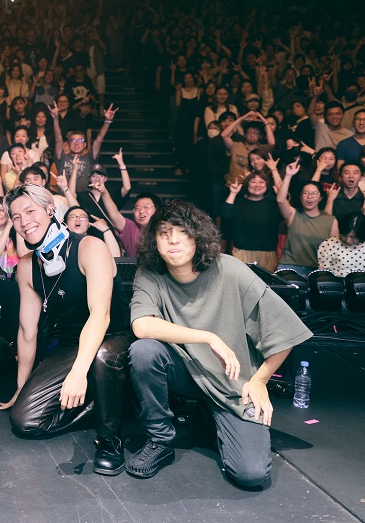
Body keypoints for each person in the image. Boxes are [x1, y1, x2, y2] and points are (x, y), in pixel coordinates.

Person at [127, 200, 313, 488]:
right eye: (164, 233)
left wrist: (260, 380)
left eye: (182, 232)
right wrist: (208, 337)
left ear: (198, 237)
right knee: (144, 351)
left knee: (251, 474)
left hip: (230, 381)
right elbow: (142, 325)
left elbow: (284, 330)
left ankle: (207, 421)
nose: (173, 240)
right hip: (187, 372)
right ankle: (160, 440)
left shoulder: (230, 270)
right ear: (154, 241)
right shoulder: (150, 273)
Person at [0, 184, 132, 476]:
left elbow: (101, 315)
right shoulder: (27, 266)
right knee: (24, 421)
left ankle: (110, 438)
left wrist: (78, 373)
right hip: (71, 344)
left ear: (50, 210)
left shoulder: (90, 247)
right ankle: (110, 402)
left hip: (112, 338)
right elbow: (27, 331)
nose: (24, 222)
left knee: (102, 356)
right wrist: (21, 386)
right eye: (16, 217)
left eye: (30, 211)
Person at [276, 160, 337, 274]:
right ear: (300, 197)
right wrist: (288, 175)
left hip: (318, 268)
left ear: (320, 198)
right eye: (305, 193)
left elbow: (334, 248)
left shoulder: (331, 220)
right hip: (291, 266)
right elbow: (280, 200)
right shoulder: (293, 214)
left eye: (314, 194)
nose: (309, 197)